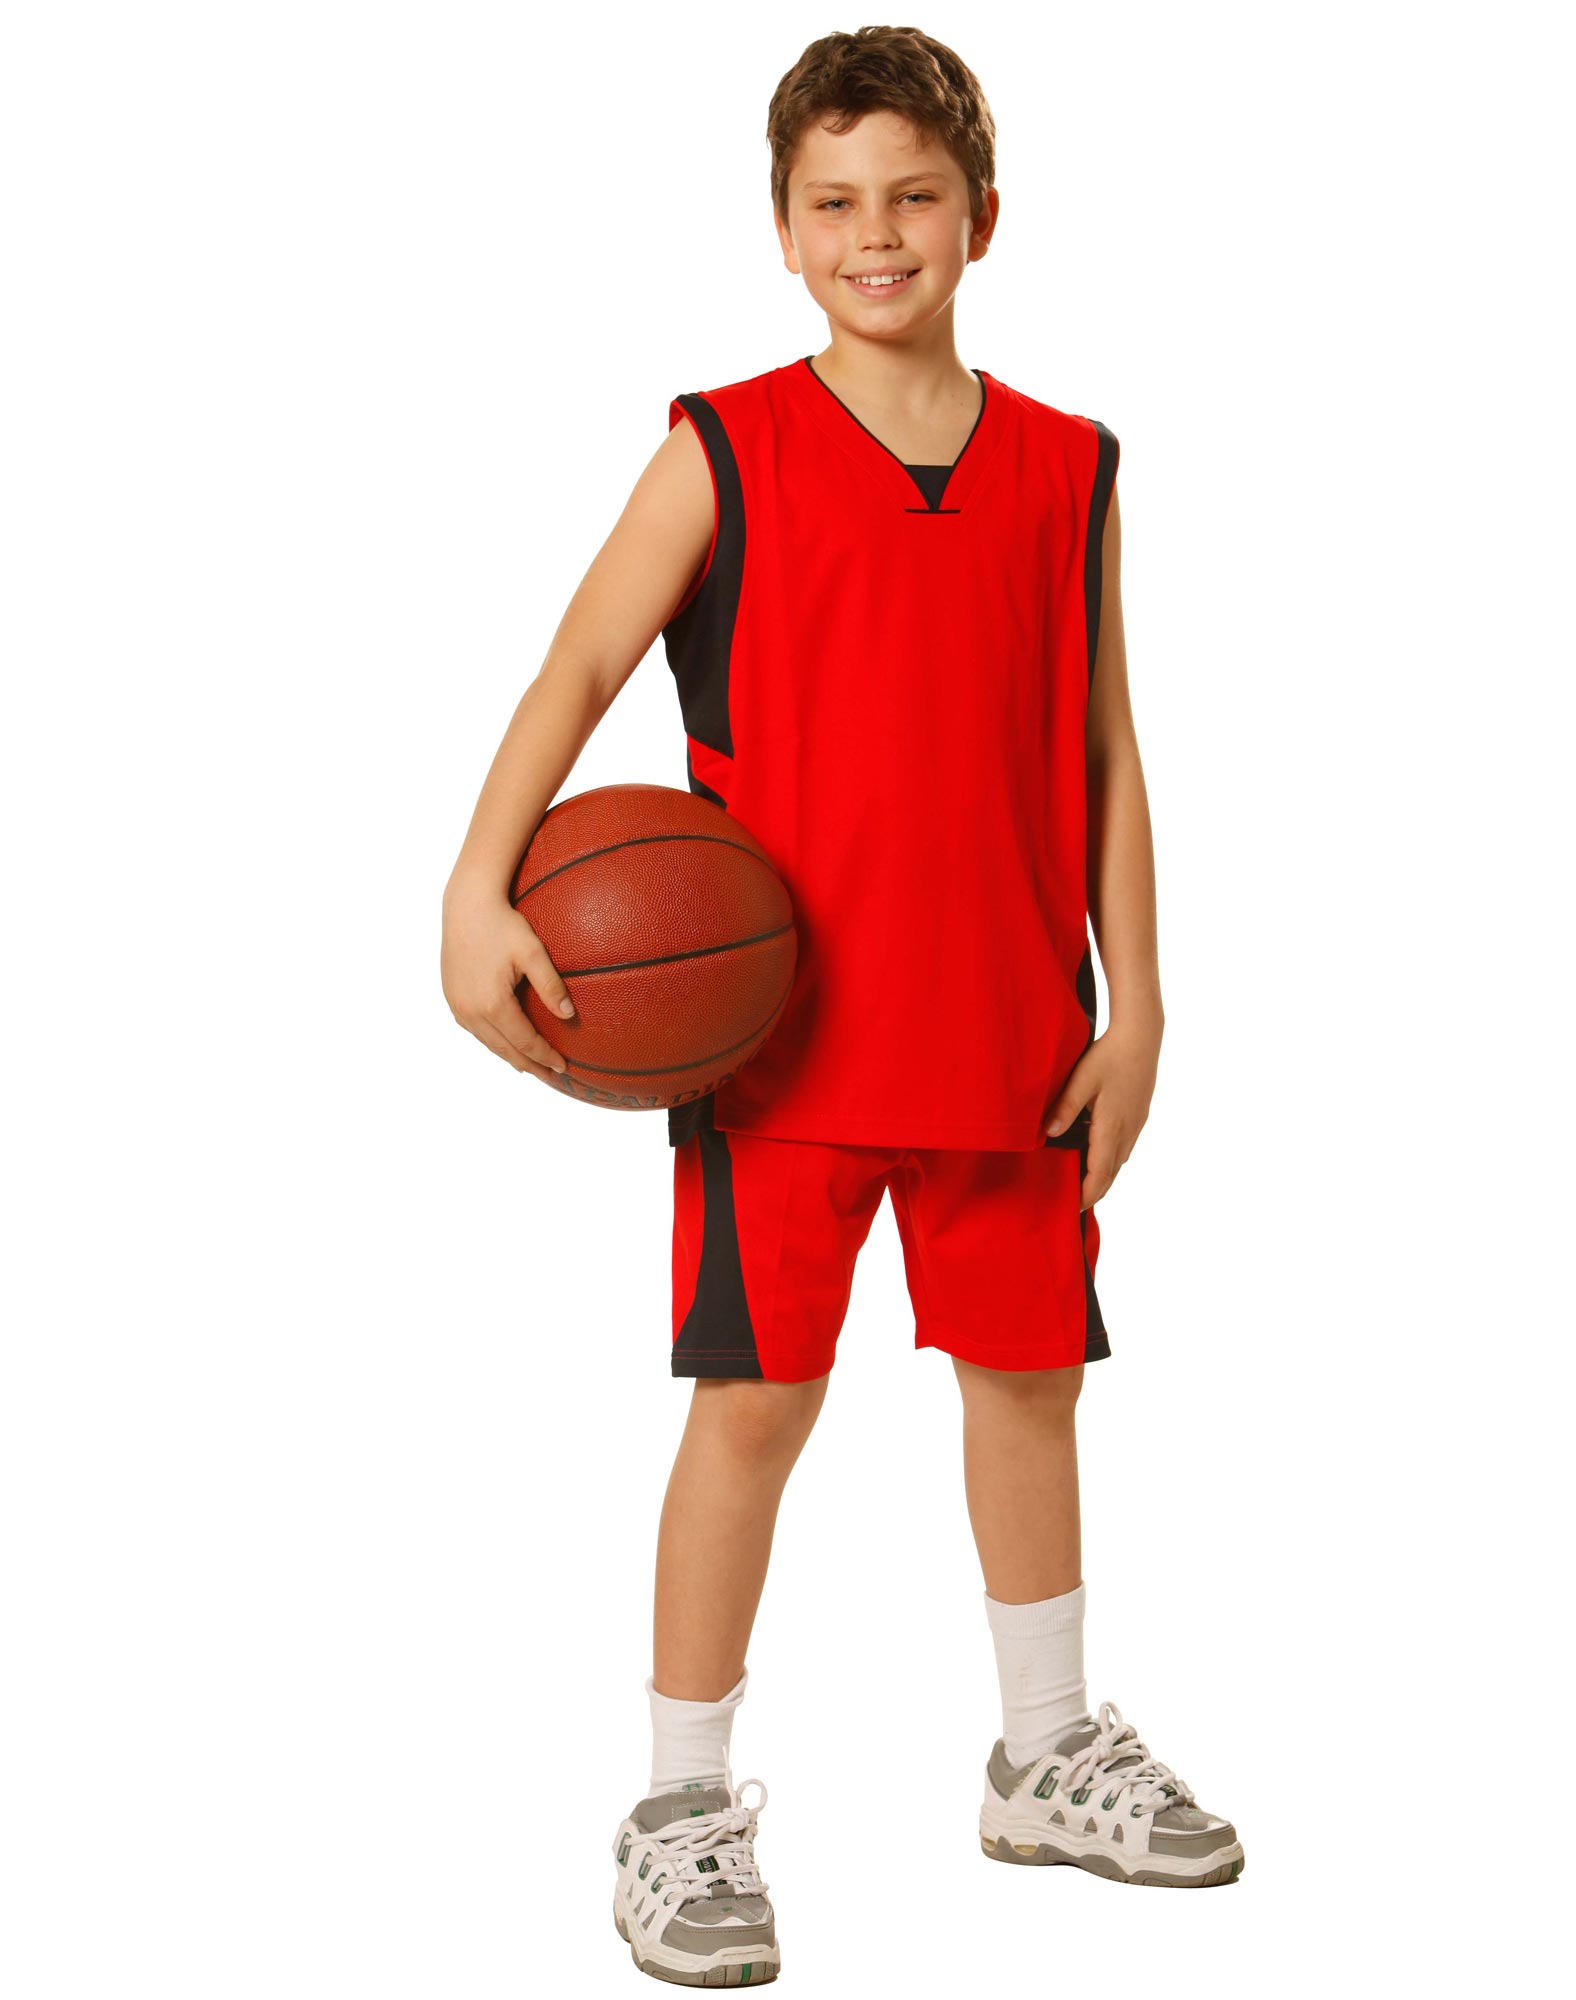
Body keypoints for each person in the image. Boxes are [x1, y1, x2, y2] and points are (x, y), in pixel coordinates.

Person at [441, 24, 1244, 1986]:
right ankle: (677, 1805)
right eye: (835, 203)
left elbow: (1104, 750)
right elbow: (575, 665)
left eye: (911, 198)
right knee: (753, 1410)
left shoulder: (1069, 466)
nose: (875, 234)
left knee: (1029, 1388)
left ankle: (1043, 1751)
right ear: (784, 233)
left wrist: (1136, 1003)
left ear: (983, 217)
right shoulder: (723, 446)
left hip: (1011, 1036)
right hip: (777, 1053)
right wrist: (475, 887)